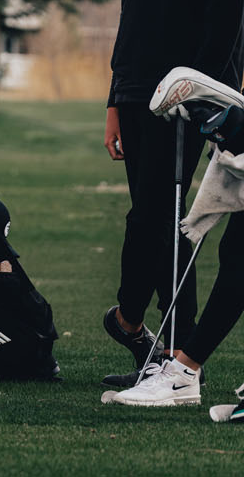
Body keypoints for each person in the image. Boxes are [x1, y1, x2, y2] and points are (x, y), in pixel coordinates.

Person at [99, 0, 244, 389]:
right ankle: (139, 327)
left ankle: (165, 349)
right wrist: (115, 96)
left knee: (168, 221)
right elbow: (133, 14)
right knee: (152, 216)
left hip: (188, 94)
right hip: (138, 92)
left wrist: (203, 88)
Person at [102, 66, 244, 420]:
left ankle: (182, 370)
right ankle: (182, 369)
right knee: (236, 250)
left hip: (197, 82)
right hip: (141, 88)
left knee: (238, 251)